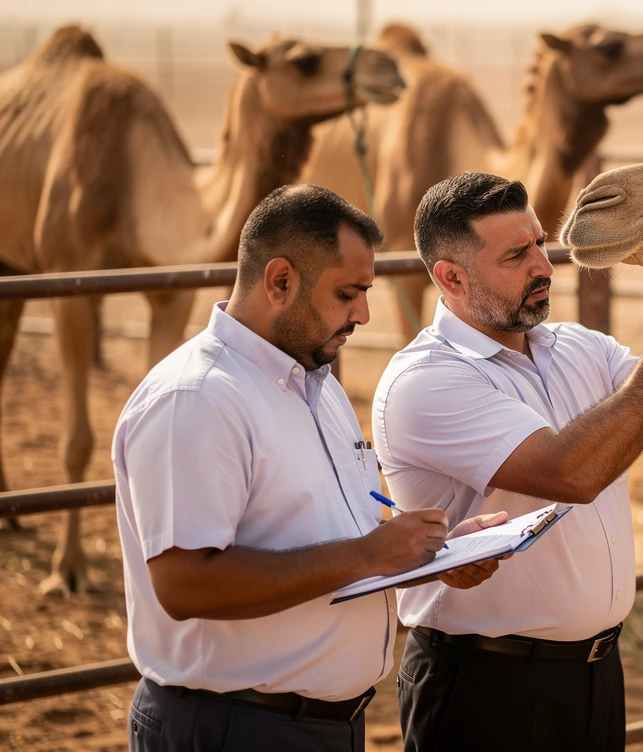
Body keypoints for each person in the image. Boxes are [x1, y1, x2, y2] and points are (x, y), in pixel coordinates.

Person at [113, 185, 506, 752]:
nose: (364, 314)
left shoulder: (318, 386)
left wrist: (428, 556)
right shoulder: (196, 399)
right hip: (232, 728)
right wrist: (372, 554)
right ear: (280, 281)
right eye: (349, 293)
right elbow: (185, 582)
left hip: (320, 727)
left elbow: (325, 546)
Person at [375, 173, 643, 751]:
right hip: (487, 686)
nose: (544, 266)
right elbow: (570, 474)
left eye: (538, 242)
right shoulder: (425, 381)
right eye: (516, 255)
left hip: (596, 674)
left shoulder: (580, 346)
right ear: (450, 277)